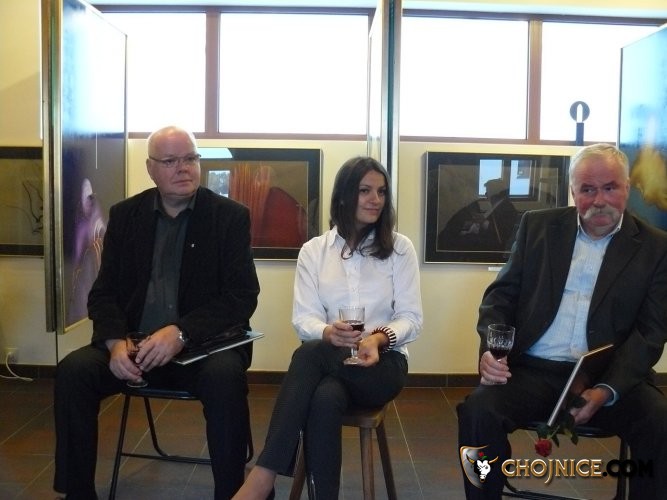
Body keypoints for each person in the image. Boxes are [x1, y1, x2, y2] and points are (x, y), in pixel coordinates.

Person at [53, 125, 261, 500]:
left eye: (190, 158)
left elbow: (241, 297)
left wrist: (180, 332)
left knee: (225, 377)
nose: (183, 168)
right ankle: (78, 493)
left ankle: (232, 493)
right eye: (170, 161)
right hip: (134, 348)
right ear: (150, 168)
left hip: (202, 349)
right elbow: (103, 294)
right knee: (73, 371)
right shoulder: (126, 216)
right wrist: (115, 344)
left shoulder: (229, 217)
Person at [457, 143, 667, 499]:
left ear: (627, 188)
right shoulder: (537, 227)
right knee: (478, 413)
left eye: (610, 188)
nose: (599, 200)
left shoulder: (655, 247)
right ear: (573, 192)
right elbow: (500, 298)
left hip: (607, 374)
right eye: (587, 189)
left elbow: (651, 331)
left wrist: (605, 390)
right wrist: (491, 351)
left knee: (659, 421)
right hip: (532, 371)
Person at [233, 156, 423, 500]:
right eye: (365, 190)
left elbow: (412, 318)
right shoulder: (314, 251)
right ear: (344, 196)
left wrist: (378, 339)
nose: (375, 199)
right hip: (332, 361)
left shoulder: (400, 249)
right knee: (324, 396)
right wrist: (328, 333)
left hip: (383, 366)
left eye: (381, 192)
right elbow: (304, 318)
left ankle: (264, 475)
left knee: (309, 355)